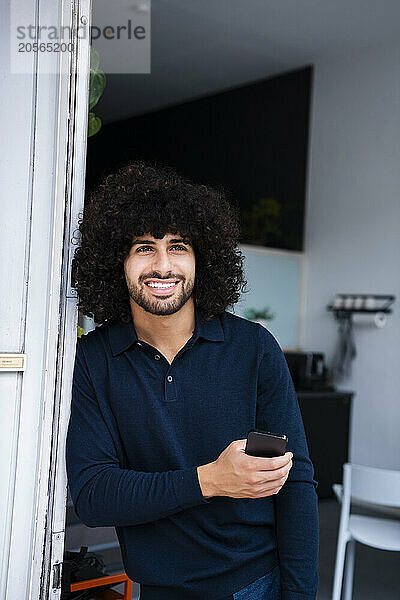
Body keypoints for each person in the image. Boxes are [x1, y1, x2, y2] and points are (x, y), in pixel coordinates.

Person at [66, 161, 319, 600]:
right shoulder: (95, 360)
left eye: (178, 246)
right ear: (117, 261)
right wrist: (211, 480)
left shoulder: (253, 347)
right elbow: (94, 495)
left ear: (202, 259)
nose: (163, 266)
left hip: (254, 584)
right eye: (144, 247)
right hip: (159, 589)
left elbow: (293, 483)